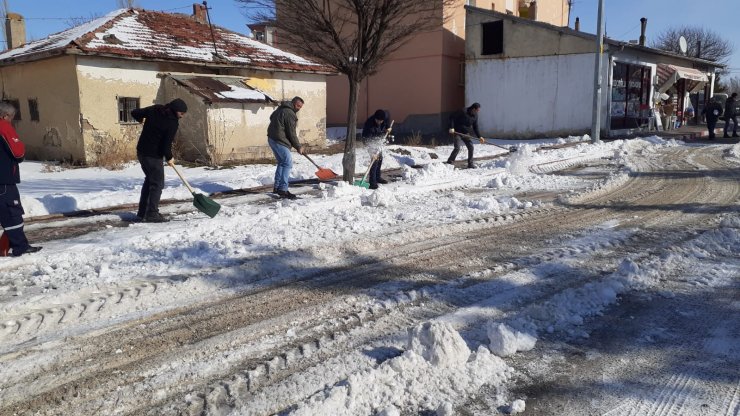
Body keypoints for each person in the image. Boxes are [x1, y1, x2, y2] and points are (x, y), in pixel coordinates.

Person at [132, 98, 187, 222]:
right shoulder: (172, 122)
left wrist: (141, 120)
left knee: (150, 181)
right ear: (175, 111)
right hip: (153, 156)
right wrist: (169, 157)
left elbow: (134, 112)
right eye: (181, 113)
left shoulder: (154, 109)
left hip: (141, 152)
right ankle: (152, 213)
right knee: (157, 184)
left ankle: (142, 212)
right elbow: (166, 145)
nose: (182, 116)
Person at [0, 102, 42, 256]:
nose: (11, 120)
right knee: (12, 214)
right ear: (5, 116)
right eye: (11, 117)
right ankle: (20, 247)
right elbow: (18, 152)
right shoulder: (3, 126)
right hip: (4, 180)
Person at [267, 96, 306, 200]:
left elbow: (271, 117)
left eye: (300, 107)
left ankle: (277, 187)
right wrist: (298, 146)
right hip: (280, 140)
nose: (299, 108)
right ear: (293, 103)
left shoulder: (281, 108)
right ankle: (283, 189)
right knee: (288, 163)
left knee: (282, 162)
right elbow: (291, 133)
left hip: (272, 138)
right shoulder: (289, 113)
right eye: (298, 106)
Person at [447, 102, 485, 168]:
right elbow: (452, 117)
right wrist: (451, 127)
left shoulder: (475, 116)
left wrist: (480, 137)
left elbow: (475, 127)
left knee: (471, 147)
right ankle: (449, 162)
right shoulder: (463, 111)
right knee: (457, 148)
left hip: (465, 133)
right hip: (457, 132)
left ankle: (470, 164)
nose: (477, 112)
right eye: (477, 110)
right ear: (473, 109)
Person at [362, 109, 392, 189]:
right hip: (371, 142)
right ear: (375, 118)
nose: (380, 122)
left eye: (381, 121)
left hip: (379, 140)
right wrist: (372, 153)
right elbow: (366, 140)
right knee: (374, 162)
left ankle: (378, 177)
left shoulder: (384, 117)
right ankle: (372, 183)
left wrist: (388, 127)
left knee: (380, 159)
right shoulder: (369, 125)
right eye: (378, 121)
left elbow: (387, 119)